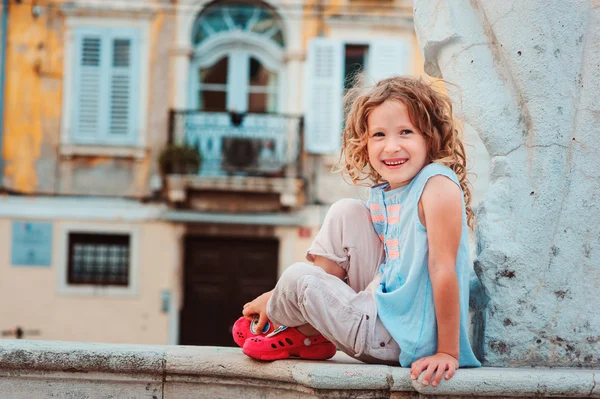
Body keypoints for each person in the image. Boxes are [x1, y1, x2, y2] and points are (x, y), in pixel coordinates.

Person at [232, 76, 482, 386]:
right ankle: (304, 323)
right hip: (379, 306)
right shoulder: (390, 191)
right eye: (379, 135)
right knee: (345, 211)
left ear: (429, 138)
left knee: (299, 277)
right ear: (364, 143)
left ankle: (290, 320)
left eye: (406, 132)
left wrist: (447, 352)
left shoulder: (437, 185)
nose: (392, 146)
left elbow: (444, 269)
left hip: (399, 338)